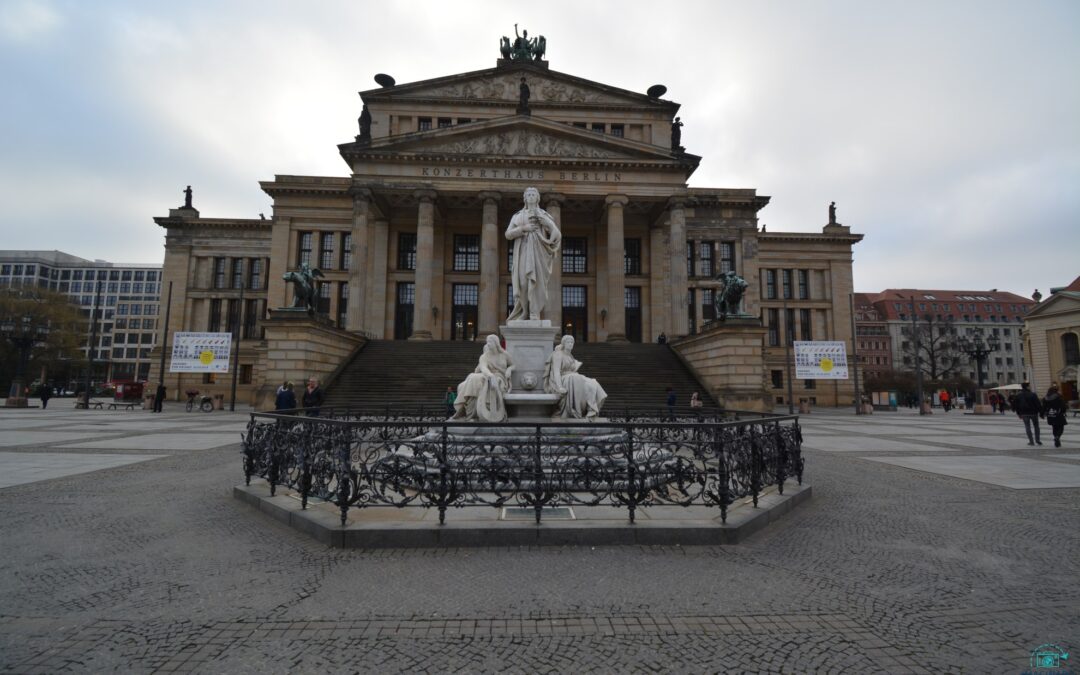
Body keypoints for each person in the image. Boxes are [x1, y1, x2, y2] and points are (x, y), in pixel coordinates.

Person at [506, 187, 561, 321]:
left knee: (536, 284)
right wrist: (523, 228)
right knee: (524, 282)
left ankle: (534, 313)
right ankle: (524, 312)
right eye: (528, 194)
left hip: (539, 253)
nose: (530, 196)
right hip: (524, 251)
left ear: (537, 198)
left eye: (533, 194)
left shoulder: (544, 215)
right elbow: (508, 234)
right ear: (525, 198)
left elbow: (557, 234)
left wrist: (546, 222)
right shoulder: (517, 216)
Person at [453, 334, 513, 422]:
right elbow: (483, 368)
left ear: (496, 343)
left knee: (473, 378)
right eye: (487, 342)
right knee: (467, 381)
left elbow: (513, 364)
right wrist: (490, 375)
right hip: (488, 375)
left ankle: (464, 411)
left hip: (500, 378)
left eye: (490, 342)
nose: (488, 344)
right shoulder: (484, 356)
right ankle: (469, 413)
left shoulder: (504, 354)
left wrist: (510, 369)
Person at [544, 335, 607, 419]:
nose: (570, 344)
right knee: (575, 378)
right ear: (563, 343)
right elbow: (556, 372)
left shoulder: (570, 356)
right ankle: (576, 411)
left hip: (572, 376)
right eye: (568, 342)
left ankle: (591, 409)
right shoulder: (558, 354)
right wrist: (560, 387)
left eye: (572, 342)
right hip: (562, 378)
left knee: (592, 382)